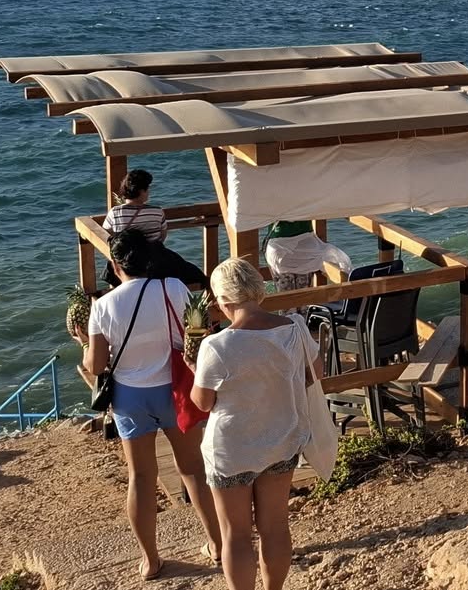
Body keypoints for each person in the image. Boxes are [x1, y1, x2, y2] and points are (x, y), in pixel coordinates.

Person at [78, 228, 221, 580]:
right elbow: (195, 335)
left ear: (115, 266)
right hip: (175, 389)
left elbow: (96, 365)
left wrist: (83, 344)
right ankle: (218, 545)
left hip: (130, 397)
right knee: (192, 469)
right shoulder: (173, 287)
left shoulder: (103, 306)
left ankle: (151, 560)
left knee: (141, 477)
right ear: (150, 258)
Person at [192, 258, 316, 590]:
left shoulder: (216, 345)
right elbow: (311, 375)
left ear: (224, 300)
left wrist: (193, 369)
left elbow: (203, 402)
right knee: (275, 527)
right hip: (281, 438)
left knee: (236, 535)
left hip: (232, 449)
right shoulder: (294, 329)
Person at [103, 168, 209, 291]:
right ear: (141, 191)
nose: (149, 192)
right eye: (147, 189)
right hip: (154, 262)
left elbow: (107, 233)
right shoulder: (157, 211)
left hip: (126, 264)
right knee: (196, 275)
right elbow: (162, 236)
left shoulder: (115, 212)